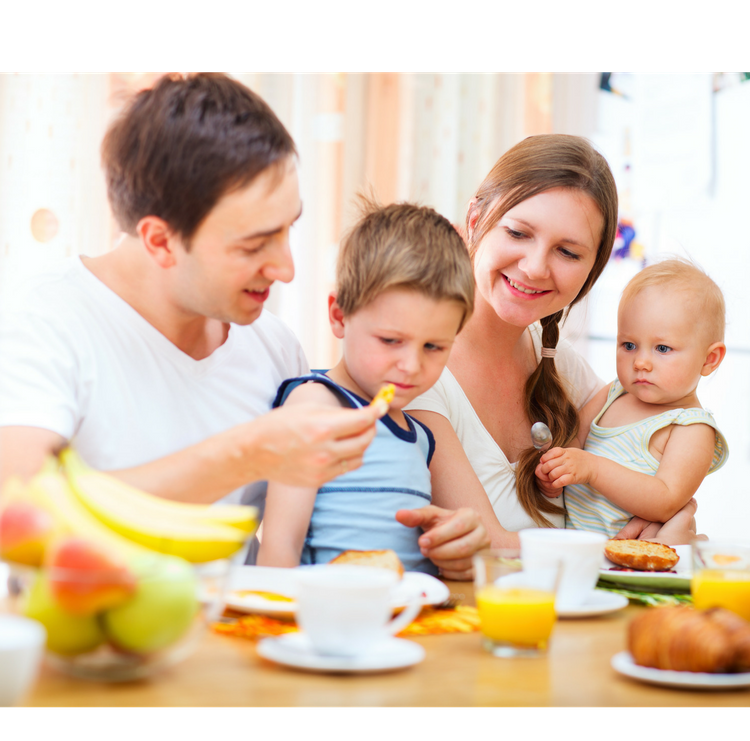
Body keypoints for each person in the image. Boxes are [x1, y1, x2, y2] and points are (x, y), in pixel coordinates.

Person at [0, 73, 486, 577]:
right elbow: (18, 515)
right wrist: (244, 455)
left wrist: (450, 545)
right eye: (254, 244)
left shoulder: (273, 348)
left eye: (288, 228)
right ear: (161, 241)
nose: (286, 268)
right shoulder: (46, 321)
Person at [408, 135, 700, 545]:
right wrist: (618, 552)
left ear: (591, 270)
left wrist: (671, 512)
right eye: (518, 233)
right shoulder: (415, 368)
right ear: (475, 220)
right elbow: (487, 547)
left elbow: (666, 466)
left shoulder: (564, 368)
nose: (534, 268)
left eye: (567, 252)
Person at [256, 200, 477, 573]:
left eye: (433, 347)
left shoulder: (420, 437)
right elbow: (280, 548)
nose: (411, 365)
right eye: (391, 341)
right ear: (339, 316)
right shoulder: (316, 406)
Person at [537, 259, 729, 538]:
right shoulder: (614, 393)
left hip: (637, 566)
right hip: (582, 555)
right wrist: (557, 473)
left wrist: (591, 469)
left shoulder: (691, 428)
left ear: (709, 359)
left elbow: (665, 501)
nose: (641, 362)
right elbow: (574, 441)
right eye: (629, 345)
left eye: (662, 348)